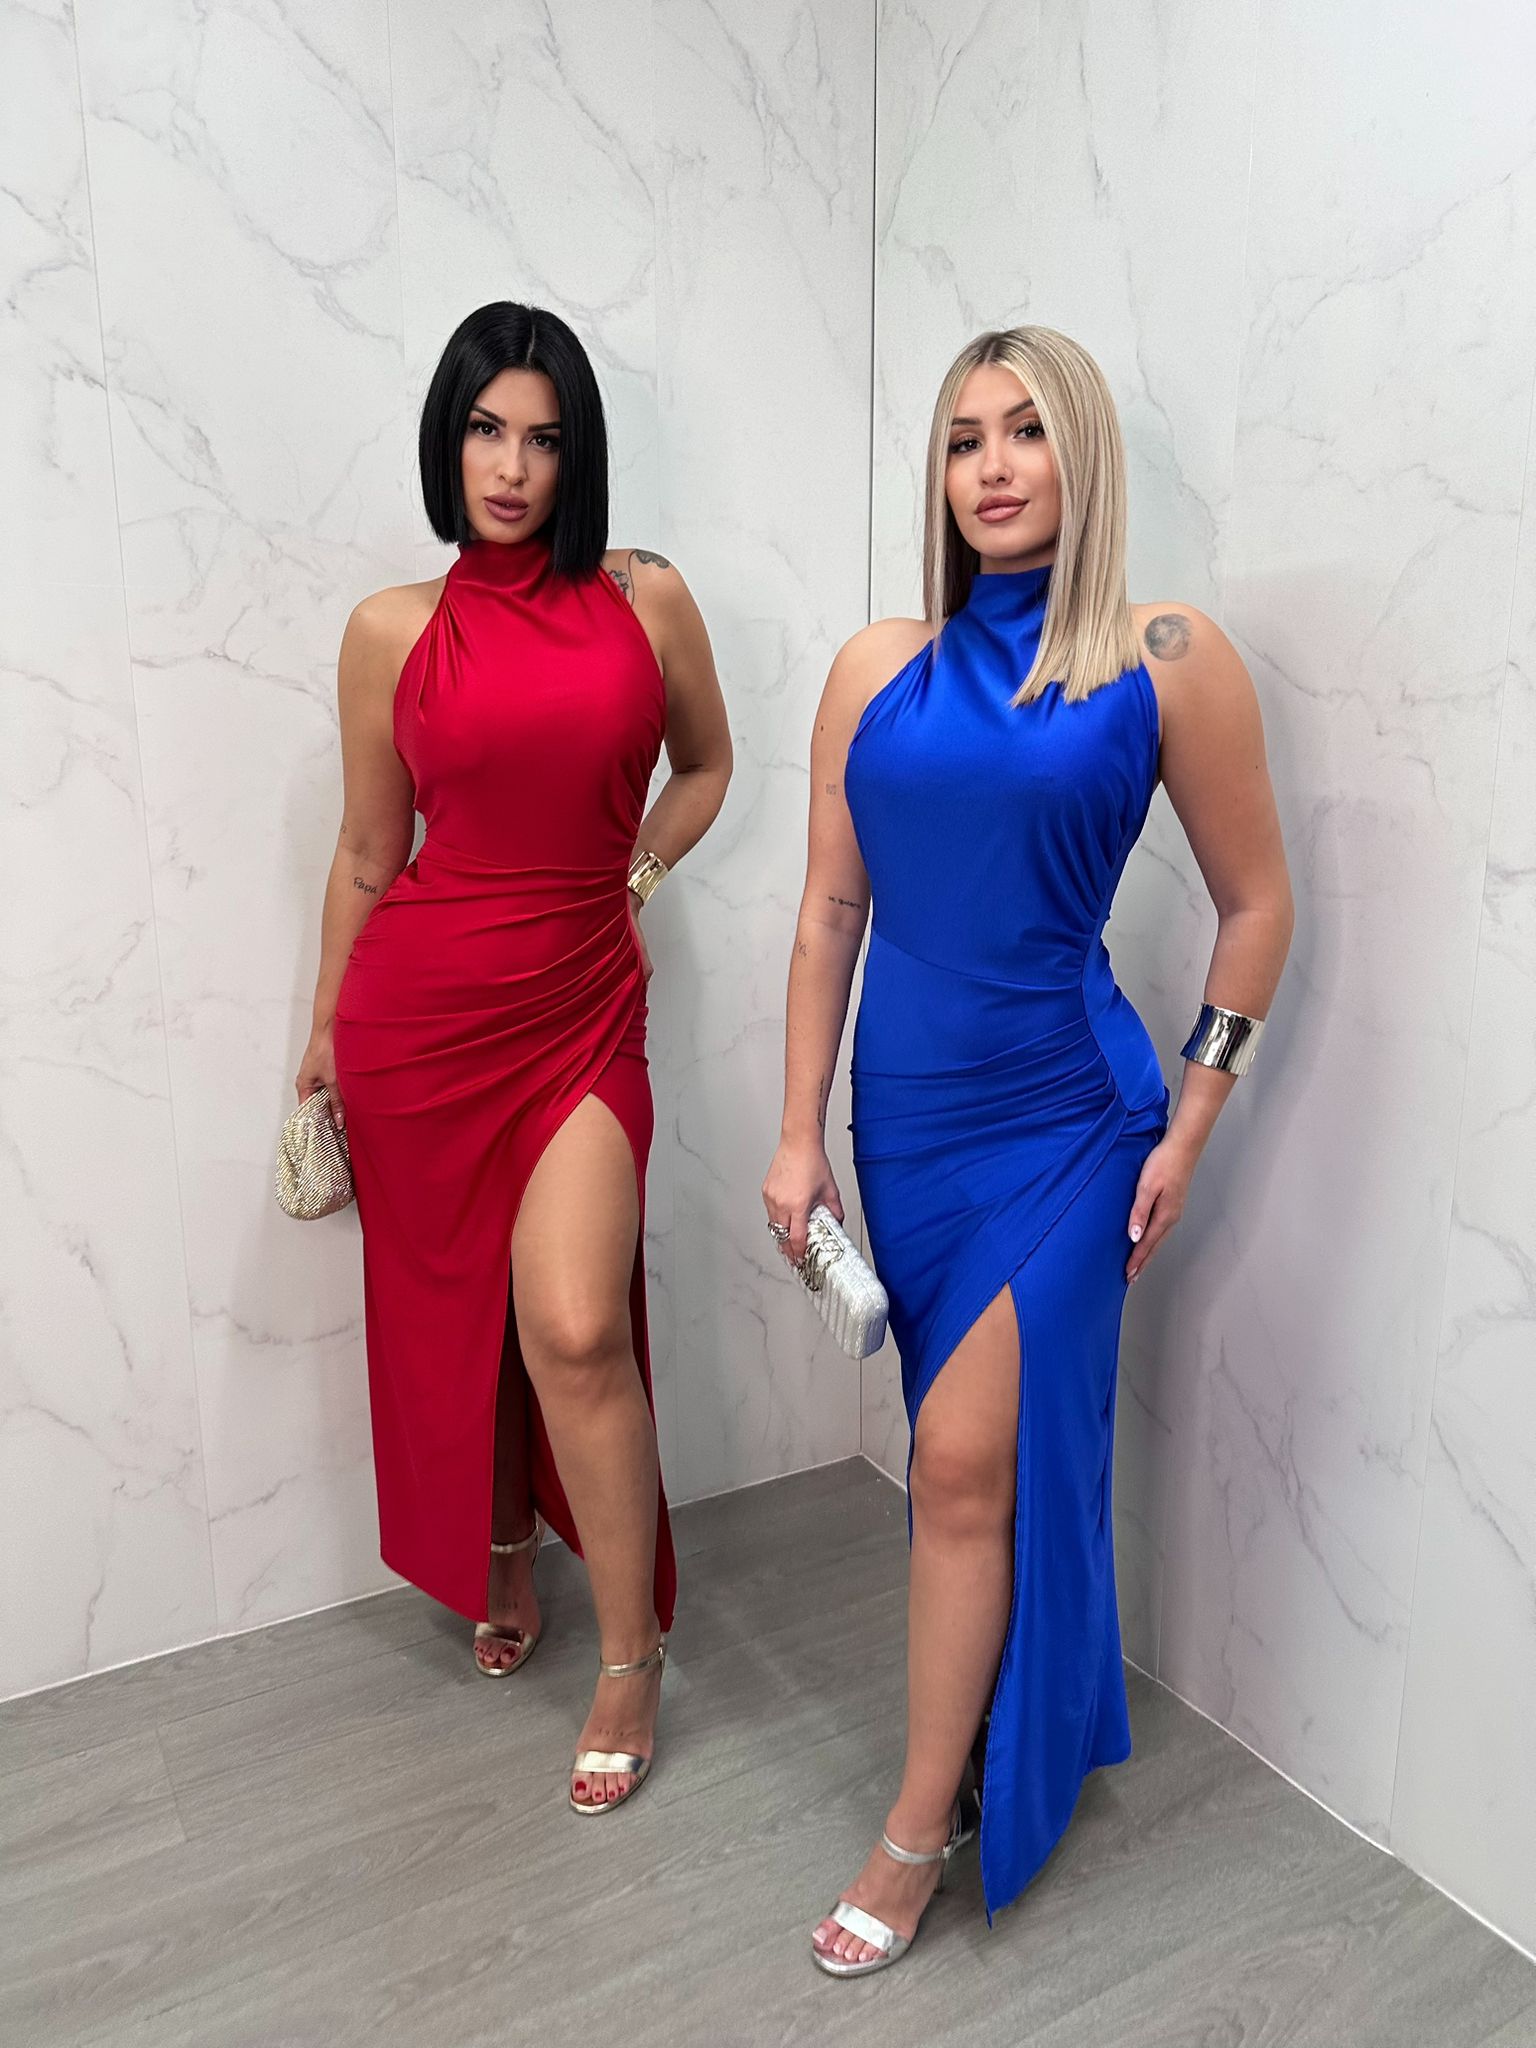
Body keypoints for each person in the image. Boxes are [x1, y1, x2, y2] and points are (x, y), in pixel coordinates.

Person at [763, 325, 1292, 1971]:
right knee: (966, 1465)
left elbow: (1258, 905)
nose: (992, 467)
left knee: (959, 1469)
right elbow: (830, 911)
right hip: (909, 1124)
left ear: (1085, 455)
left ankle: (918, 1825)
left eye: (1026, 432)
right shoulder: (878, 667)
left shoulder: (1167, 658)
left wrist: (1191, 1122)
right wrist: (795, 1132)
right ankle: (1002, 1722)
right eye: (963, 439)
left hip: (1071, 1122)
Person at [298, 301, 731, 1814]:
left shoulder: (645, 597)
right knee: (458, 1309)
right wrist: (322, 1030)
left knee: (574, 1324)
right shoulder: (390, 630)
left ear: (577, 455)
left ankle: (631, 1656)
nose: (511, 467)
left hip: (583, 1010)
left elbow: (708, 767)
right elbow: (369, 851)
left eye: (544, 439)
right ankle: (497, 1545)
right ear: (450, 437)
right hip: (420, 1022)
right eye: (487, 430)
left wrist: (634, 881)